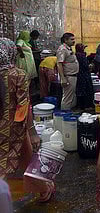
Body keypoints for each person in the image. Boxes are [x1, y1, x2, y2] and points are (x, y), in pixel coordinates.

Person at [0, 38, 53, 202]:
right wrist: (32, 132)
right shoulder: (17, 75)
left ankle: (42, 189)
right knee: (4, 164)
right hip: (13, 128)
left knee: (27, 159)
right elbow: (23, 106)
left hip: (7, 128)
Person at [56, 33, 79, 110]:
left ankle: (69, 113)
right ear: (65, 40)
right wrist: (63, 78)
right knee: (67, 98)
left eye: (74, 39)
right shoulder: (62, 49)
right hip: (68, 76)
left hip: (72, 76)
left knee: (71, 97)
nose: (74, 41)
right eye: (71, 39)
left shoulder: (68, 48)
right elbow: (59, 64)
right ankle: (64, 116)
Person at [75, 43, 94, 110]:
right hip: (84, 75)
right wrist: (90, 66)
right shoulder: (81, 56)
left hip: (79, 75)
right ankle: (85, 106)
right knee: (86, 90)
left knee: (80, 90)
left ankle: (81, 106)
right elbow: (85, 66)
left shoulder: (76, 55)